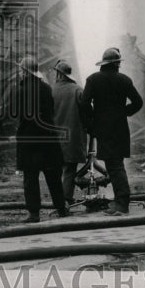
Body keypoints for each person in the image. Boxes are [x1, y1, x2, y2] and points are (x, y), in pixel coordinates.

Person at [79, 47, 143, 216]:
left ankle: (122, 204)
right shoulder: (125, 80)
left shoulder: (92, 79)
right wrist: (124, 112)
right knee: (116, 164)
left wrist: (91, 124)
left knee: (114, 165)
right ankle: (120, 201)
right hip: (120, 127)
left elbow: (84, 104)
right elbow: (138, 102)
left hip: (102, 128)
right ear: (116, 64)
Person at [11, 55, 68, 223]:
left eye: (21, 70)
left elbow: (16, 114)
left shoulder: (20, 90)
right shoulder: (46, 88)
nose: (20, 73)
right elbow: (51, 111)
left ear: (24, 71)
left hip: (29, 139)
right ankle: (61, 208)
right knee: (53, 176)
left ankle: (34, 214)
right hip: (48, 138)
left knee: (30, 177)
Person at [50, 59, 86, 207]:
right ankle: (67, 199)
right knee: (70, 170)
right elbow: (86, 113)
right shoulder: (78, 90)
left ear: (58, 73)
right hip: (73, 138)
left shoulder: (50, 90)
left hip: (54, 138)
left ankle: (58, 202)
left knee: (55, 170)